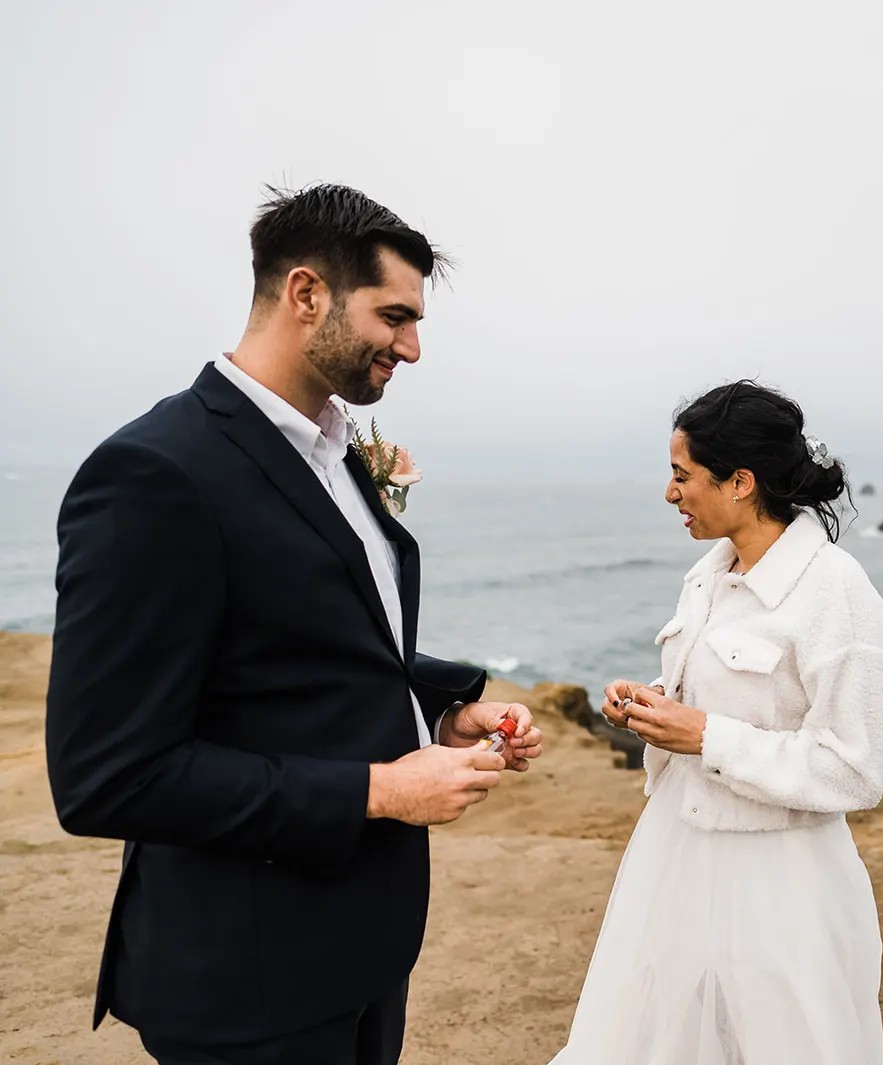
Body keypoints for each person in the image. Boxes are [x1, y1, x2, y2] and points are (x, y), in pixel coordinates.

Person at [44, 183, 542, 1065]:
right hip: (249, 986)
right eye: (394, 316)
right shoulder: (156, 474)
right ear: (306, 293)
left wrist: (435, 708)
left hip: (362, 952)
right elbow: (107, 776)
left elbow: (303, 640)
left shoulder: (335, 450)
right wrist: (380, 790)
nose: (414, 348)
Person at [552, 380, 883, 1063]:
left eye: (683, 476)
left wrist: (703, 735)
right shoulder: (708, 574)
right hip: (674, 863)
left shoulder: (836, 590)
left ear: (741, 481)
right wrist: (650, 705)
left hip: (782, 891)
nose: (670, 492)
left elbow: (856, 770)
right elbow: (720, 697)